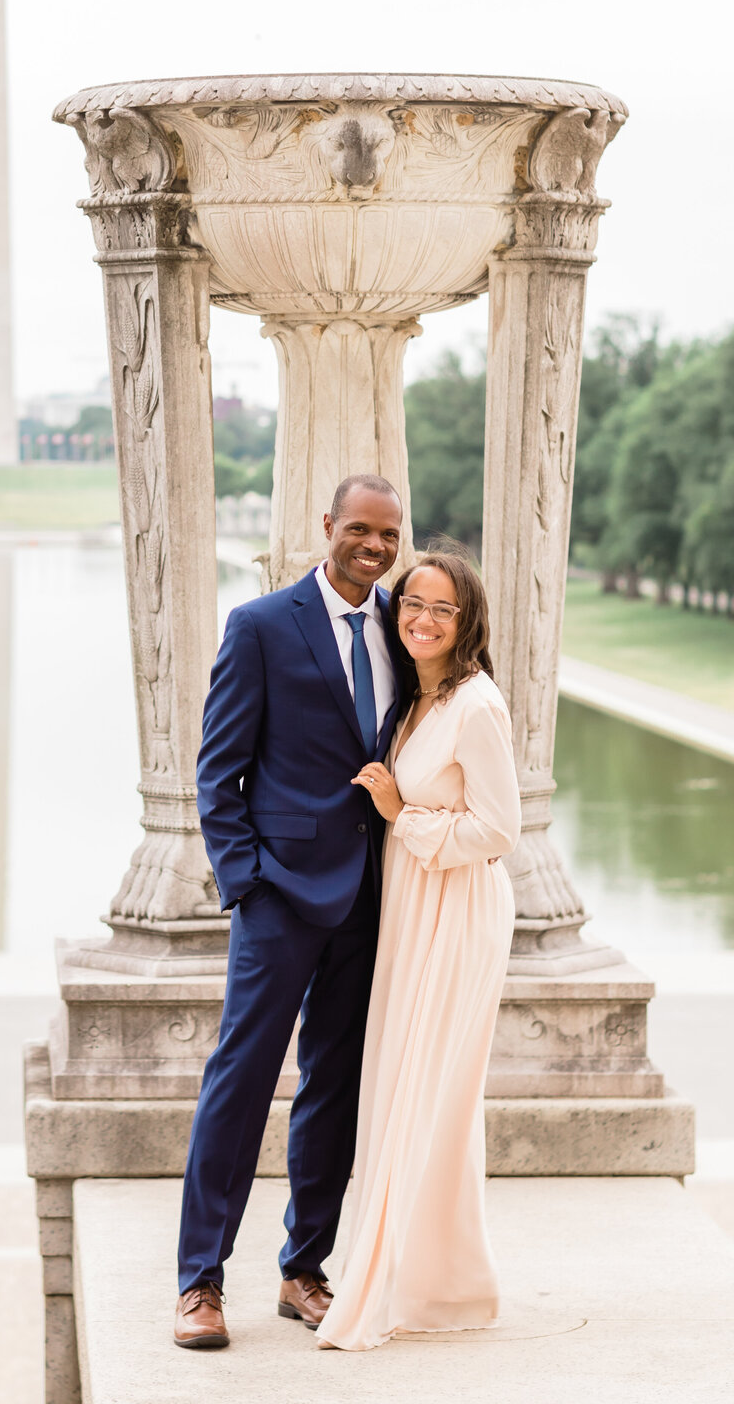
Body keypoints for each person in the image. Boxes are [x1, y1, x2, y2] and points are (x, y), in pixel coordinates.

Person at [174, 474, 406, 1350]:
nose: (375, 547)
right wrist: (248, 882)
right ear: (327, 528)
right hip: (280, 899)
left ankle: (304, 1269)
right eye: (360, 530)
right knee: (238, 1084)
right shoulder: (263, 625)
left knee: (333, 1089)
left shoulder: (400, 627)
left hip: (372, 899)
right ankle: (199, 1283)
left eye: (388, 534)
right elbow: (217, 771)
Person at [315, 543, 521, 1351]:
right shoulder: (414, 702)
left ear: (466, 620)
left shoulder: (477, 704)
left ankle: (420, 1286)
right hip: (413, 907)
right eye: (413, 605)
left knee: (428, 1094)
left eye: (443, 608)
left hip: (460, 913)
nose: (424, 619)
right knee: (402, 1083)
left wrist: (404, 814)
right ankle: (430, 1280)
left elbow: (499, 831)